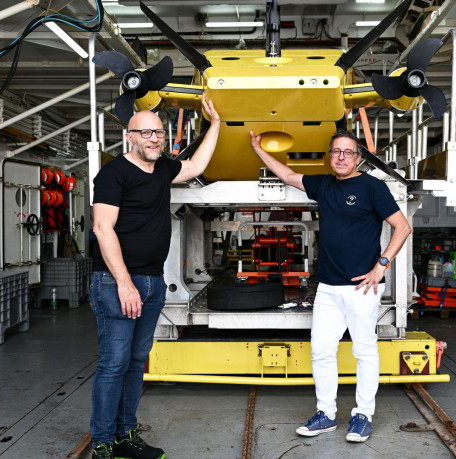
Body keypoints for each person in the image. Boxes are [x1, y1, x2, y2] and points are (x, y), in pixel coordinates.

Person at [249, 129, 411, 443]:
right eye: (336, 151)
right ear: (330, 154)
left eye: (347, 152)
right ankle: (326, 413)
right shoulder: (323, 185)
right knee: (322, 351)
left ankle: (362, 416)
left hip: (361, 287)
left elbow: (402, 227)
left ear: (358, 158)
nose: (340, 157)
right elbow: (287, 175)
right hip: (327, 287)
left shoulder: (372, 187)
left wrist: (382, 265)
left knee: (365, 351)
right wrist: (258, 149)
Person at [90, 95, 220, 459]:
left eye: (158, 133)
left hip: (152, 282)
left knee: (134, 362)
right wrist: (124, 283)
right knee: (113, 363)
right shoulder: (114, 173)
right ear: (129, 137)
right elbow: (103, 228)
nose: (154, 139)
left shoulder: (162, 168)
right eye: (145, 133)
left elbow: (194, 166)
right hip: (117, 283)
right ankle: (102, 442)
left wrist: (217, 124)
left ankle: (125, 435)